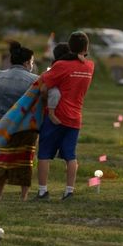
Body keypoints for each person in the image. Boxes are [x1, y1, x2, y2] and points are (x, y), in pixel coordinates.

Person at [36, 31, 94, 200]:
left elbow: (43, 84)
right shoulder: (90, 66)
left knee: (44, 154)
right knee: (70, 155)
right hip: (75, 117)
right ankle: (69, 191)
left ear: (70, 46)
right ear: (86, 48)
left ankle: (42, 191)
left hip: (56, 115)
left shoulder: (61, 66)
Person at [0, 41, 38, 201]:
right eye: (32, 61)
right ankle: (23, 196)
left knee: (0, 159)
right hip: (24, 126)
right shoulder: (34, 79)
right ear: (27, 62)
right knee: (24, 159)